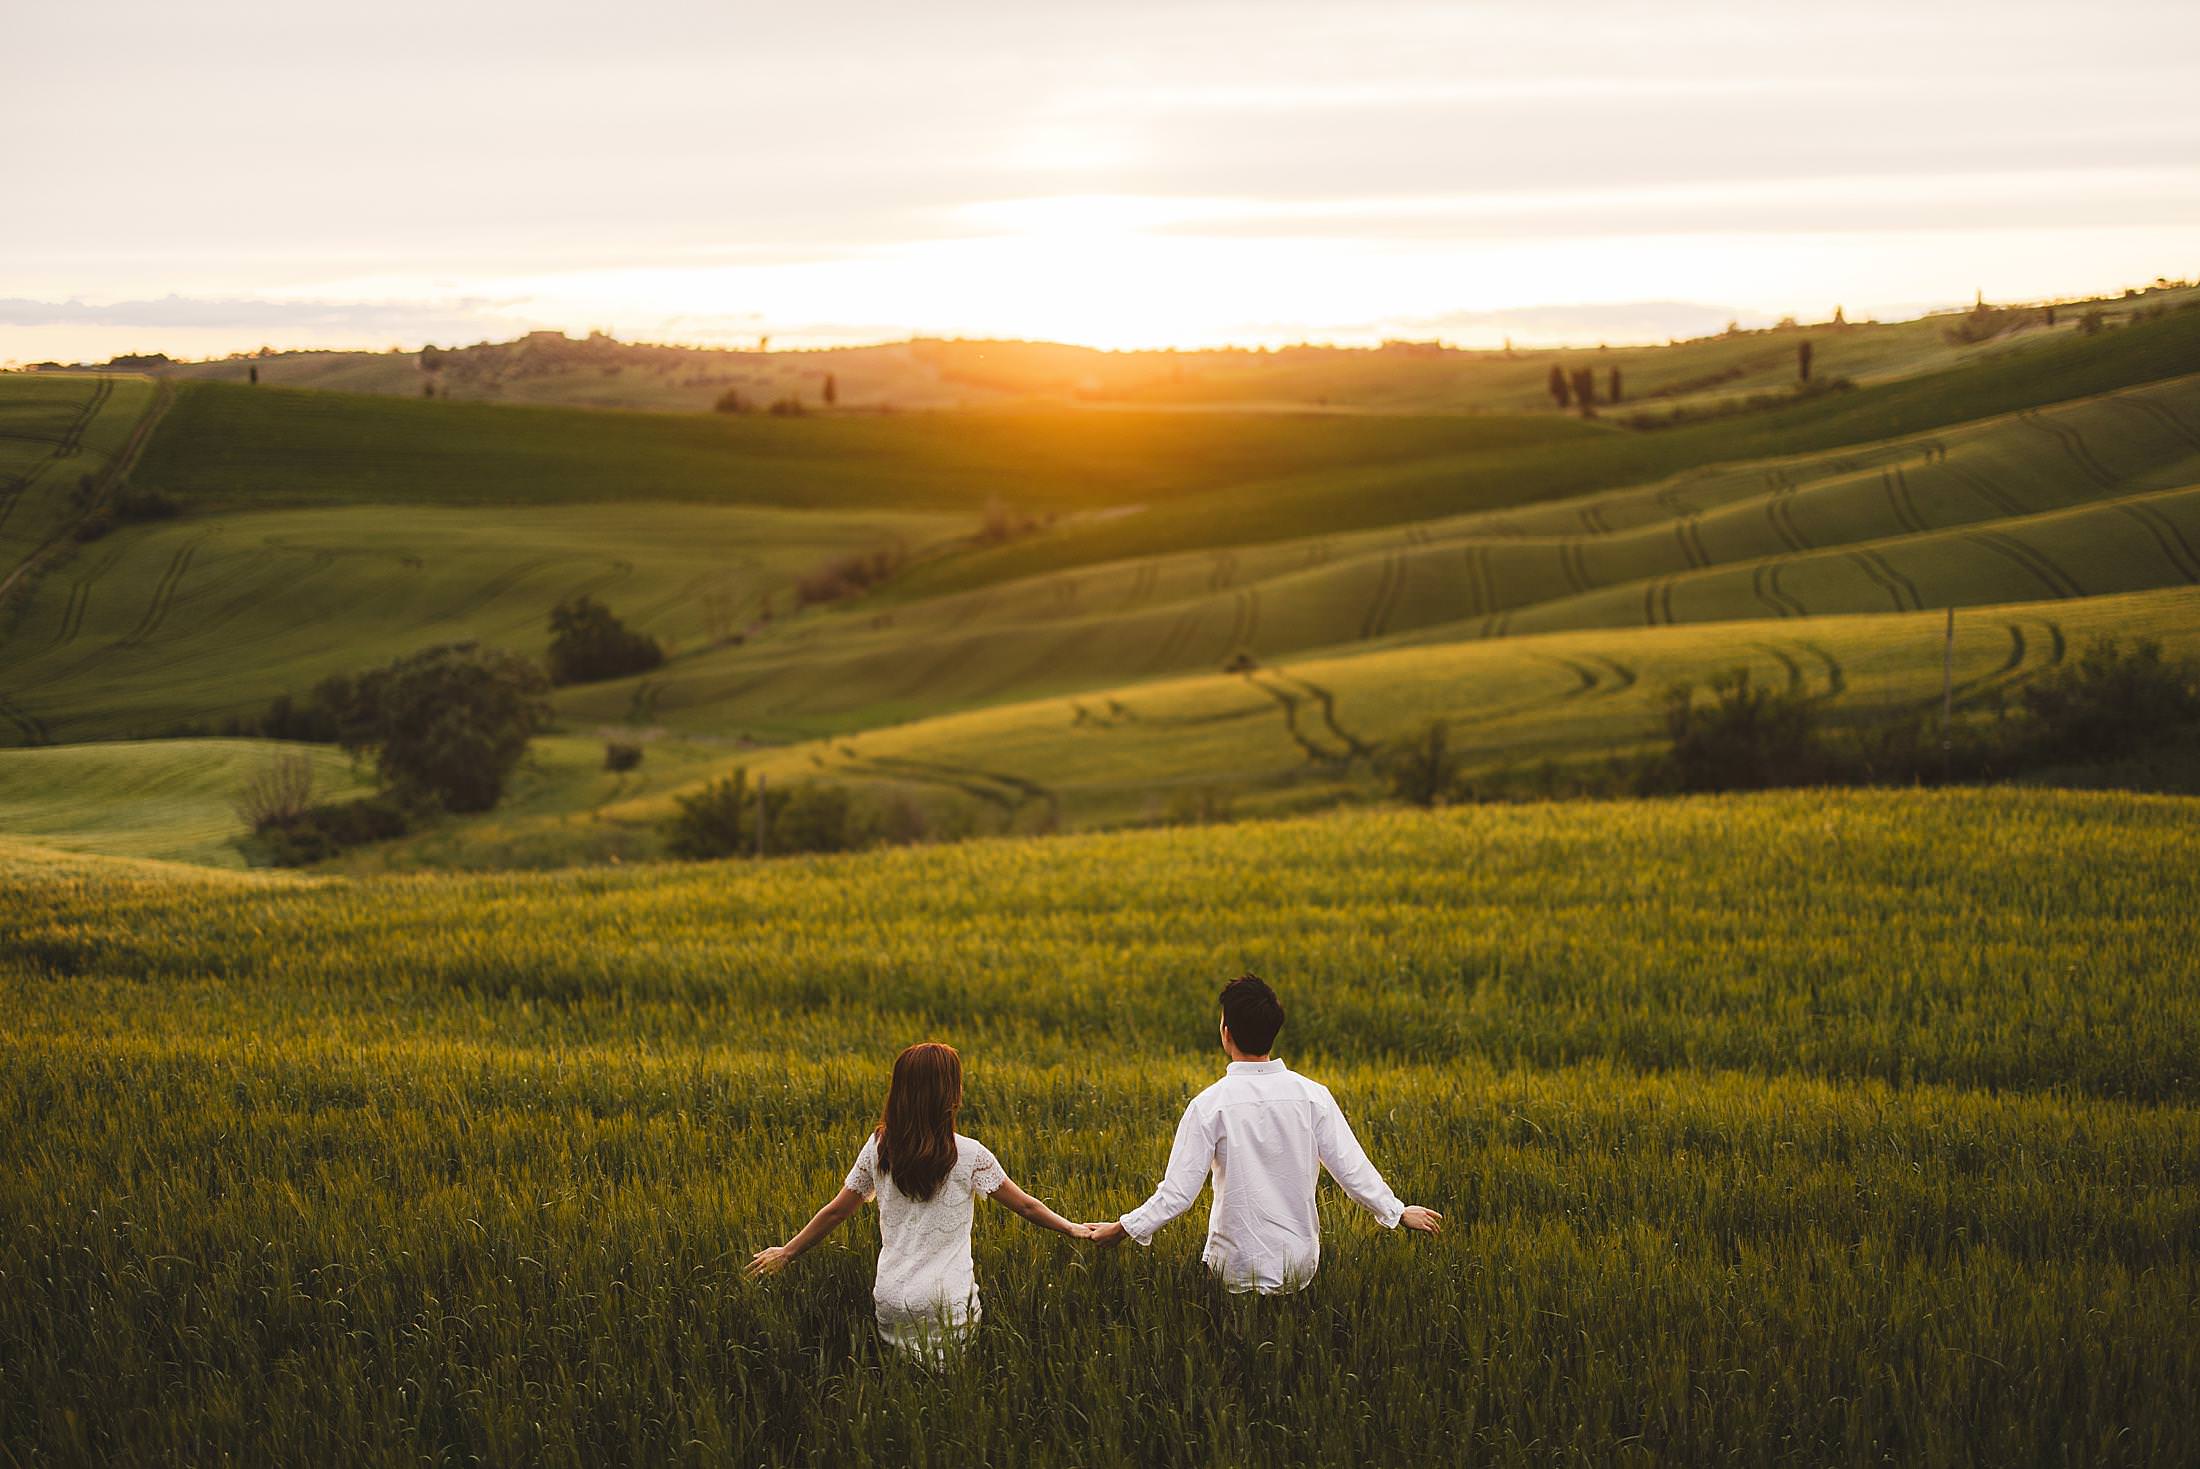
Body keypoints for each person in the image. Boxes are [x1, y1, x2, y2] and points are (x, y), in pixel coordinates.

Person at [1087, 974, 1441, 1292]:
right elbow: (1351, 1168)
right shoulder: (1312, 1096)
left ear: (1226, 1033)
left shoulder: (1210, 1105)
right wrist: (1396, 1211)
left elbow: (1178, 1194)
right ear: (1274, 1031)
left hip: (1232, 1267)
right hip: (1299, 1267)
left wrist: (1120, 1229)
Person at [746, 1041, 1091, 1358]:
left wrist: (787, 1251)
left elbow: (837, 1211)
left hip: (891, 1299)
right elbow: (1027, 1206)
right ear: (949, 1093)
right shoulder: (970, 1155)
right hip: (947, 1303)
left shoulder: (880, 1148)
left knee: (901, 1391)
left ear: (901, 1091)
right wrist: (1073, 1229)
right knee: (949, 1399)